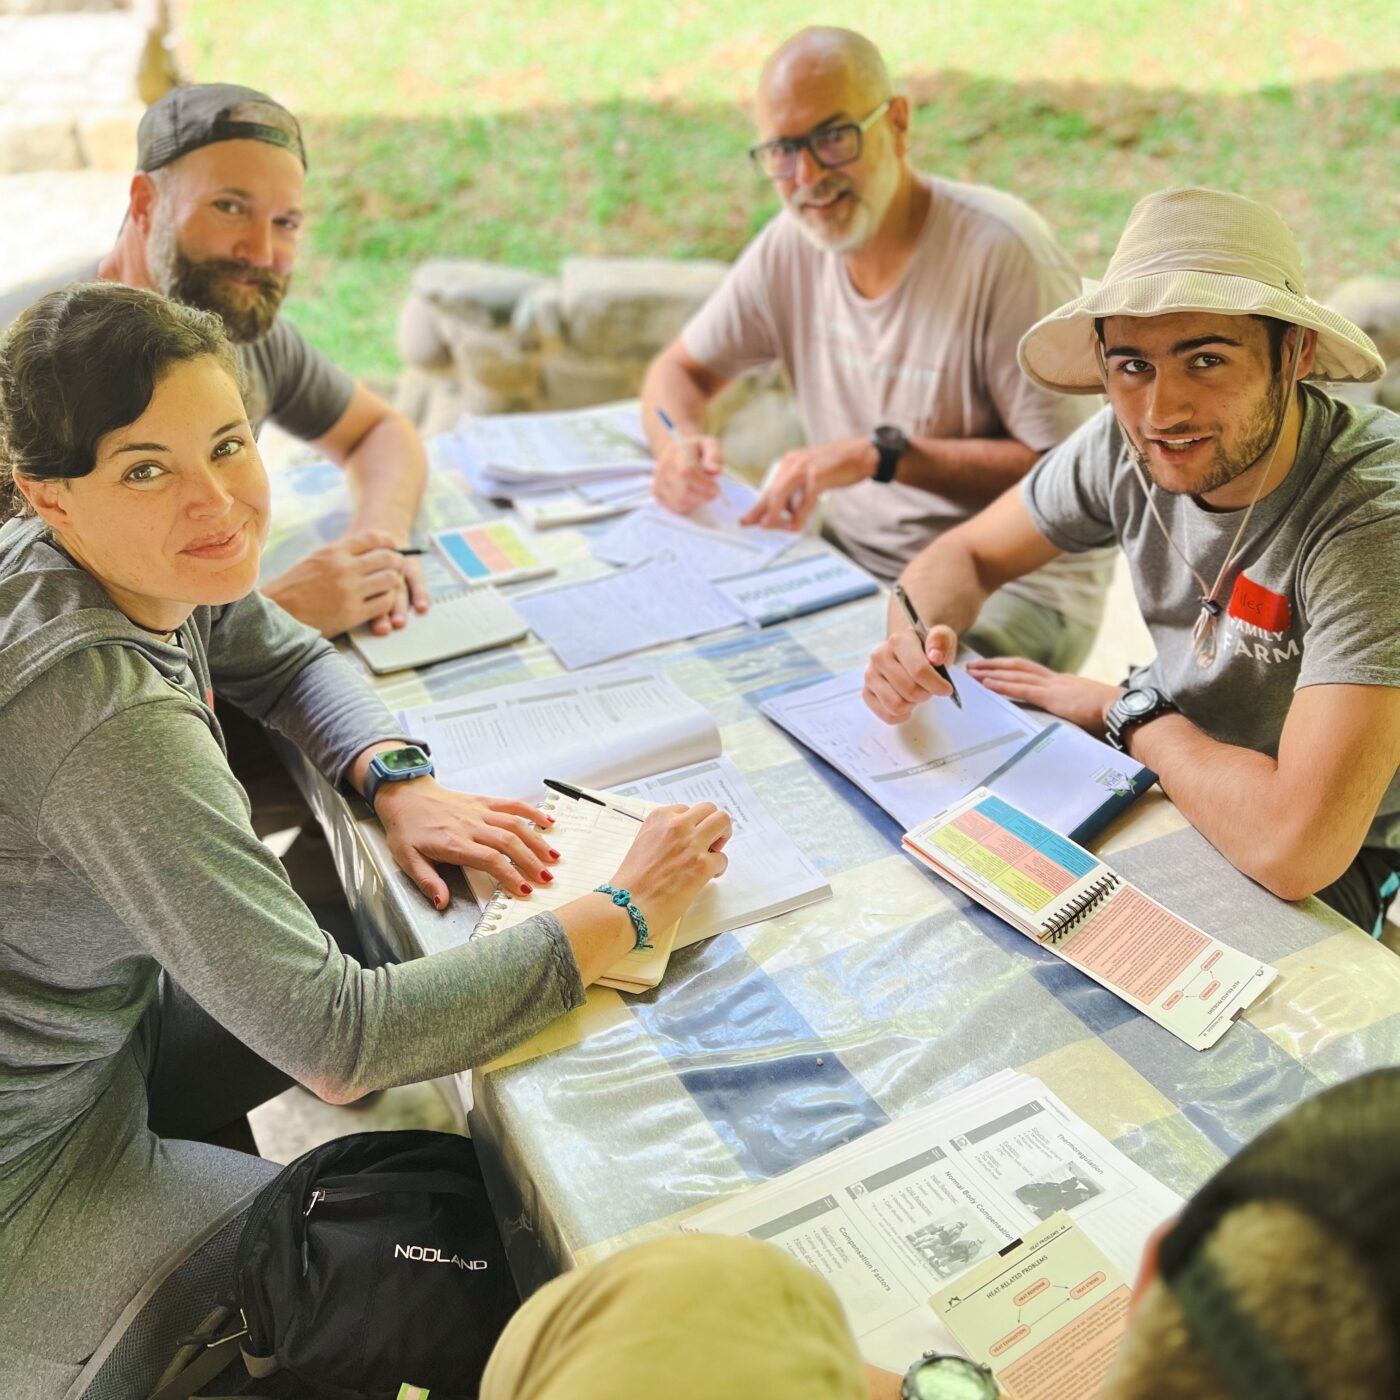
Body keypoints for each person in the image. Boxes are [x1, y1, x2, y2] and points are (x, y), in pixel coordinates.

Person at [0, 283, 731, 1399]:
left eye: (228, 444)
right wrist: (621, 912)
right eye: (145, 469)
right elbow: (336, 1043)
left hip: (100, 1037)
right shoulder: (102, 716)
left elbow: (289, 656)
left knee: (373, 933)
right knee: (484, 1263)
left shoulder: (134, 562)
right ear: (49, 496)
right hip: (38, 1180)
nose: (216, 501)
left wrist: (395, 779)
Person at [863, 187, 1400, 935]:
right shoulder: (1123, 444)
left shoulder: (1373, 514)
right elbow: (968, 553)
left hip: (1340, 847)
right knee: (955, 898)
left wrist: (1129, 712)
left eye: (1206, 360)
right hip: (1165, 760)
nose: (1161, 412)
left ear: (1296, 353)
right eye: (1133, 366)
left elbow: (1295, 848)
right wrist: (912, 639)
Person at [642, 25, 1112, 670]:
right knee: (698, 650)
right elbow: (680, 372)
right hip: (856, 562)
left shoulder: (1003, 252)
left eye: (833, 137)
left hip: (1013, 583)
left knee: (911, 701)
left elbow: (1074, 477)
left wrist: (883, 455)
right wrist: (677, 446)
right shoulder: (790, 247)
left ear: (896, 123)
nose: (808, 176)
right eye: (782, 151)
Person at [0, 81, 430, 640]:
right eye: (229, 207)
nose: (261, 252)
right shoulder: (29, 375)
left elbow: (378, 431)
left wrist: (378, 546)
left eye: (285, 223)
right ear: (145, 202)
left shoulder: (237, 329)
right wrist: (276, 617)